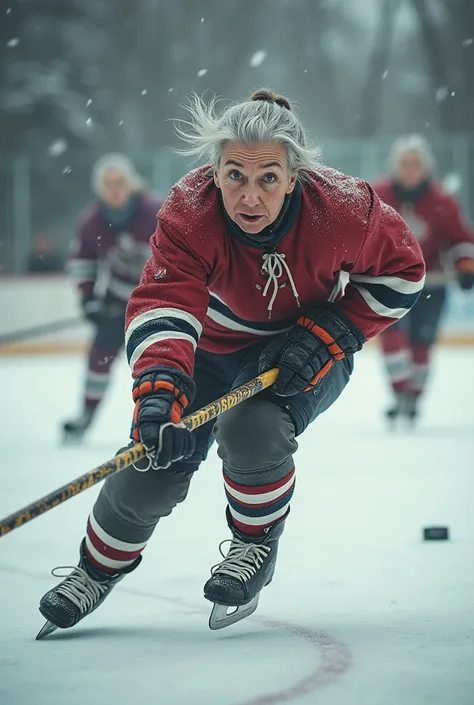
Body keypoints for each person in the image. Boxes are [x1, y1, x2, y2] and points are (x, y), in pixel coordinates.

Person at [37, 89, 425, 639]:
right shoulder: (189, 211)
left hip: (302, 348)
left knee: (253, 428)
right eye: (235, 175)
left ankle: (254, 545)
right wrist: (159, 391)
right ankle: (94, 570)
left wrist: (336, 330)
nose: (249, 195)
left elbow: (403, 273)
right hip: (208, 351)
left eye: (268, 177)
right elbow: (166, 304)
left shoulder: (343, 207)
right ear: (213, 171)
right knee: (149, 462)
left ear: (294, 177)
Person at [62, 154, 165, 442]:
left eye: (120, 182)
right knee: (99, 357)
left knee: (159, 360)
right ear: (100, 188)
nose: (115, 189)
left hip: (158, 301)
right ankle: (86, 414)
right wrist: (88, 299)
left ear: (130, 183)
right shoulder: (91, 222)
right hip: (117, 302)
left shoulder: (155, 211)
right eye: (108, 184)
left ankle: (163, 415)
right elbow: (82, 261)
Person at [373, 135, 474, 425]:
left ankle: (414, 396)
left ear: (426, 167)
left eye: (415, 163)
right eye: (404, 163)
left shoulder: (442, 200)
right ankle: (399, 393)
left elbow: (460, 238)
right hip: (390, 282)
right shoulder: (378, 195)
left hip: (433, 283)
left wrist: (465, 264)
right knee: (392, 337)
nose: (410, 169)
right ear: (395, 165)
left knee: (422, 343)